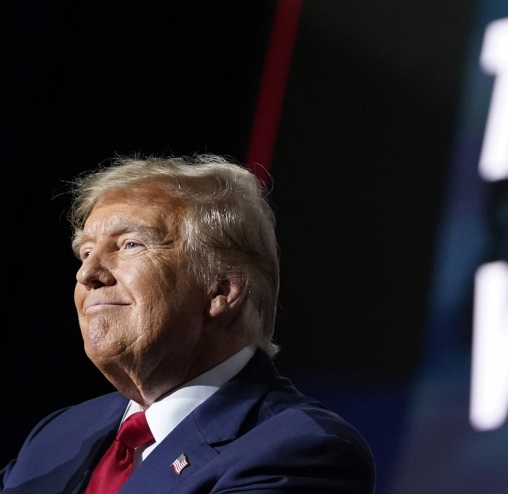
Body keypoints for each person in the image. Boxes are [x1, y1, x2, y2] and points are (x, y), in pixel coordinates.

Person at [0, 153, 376, 493]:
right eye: (84, 251)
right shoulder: (56, 436)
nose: (88, 274)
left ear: (221, 290)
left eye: (130, 244)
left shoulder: (301, 451)